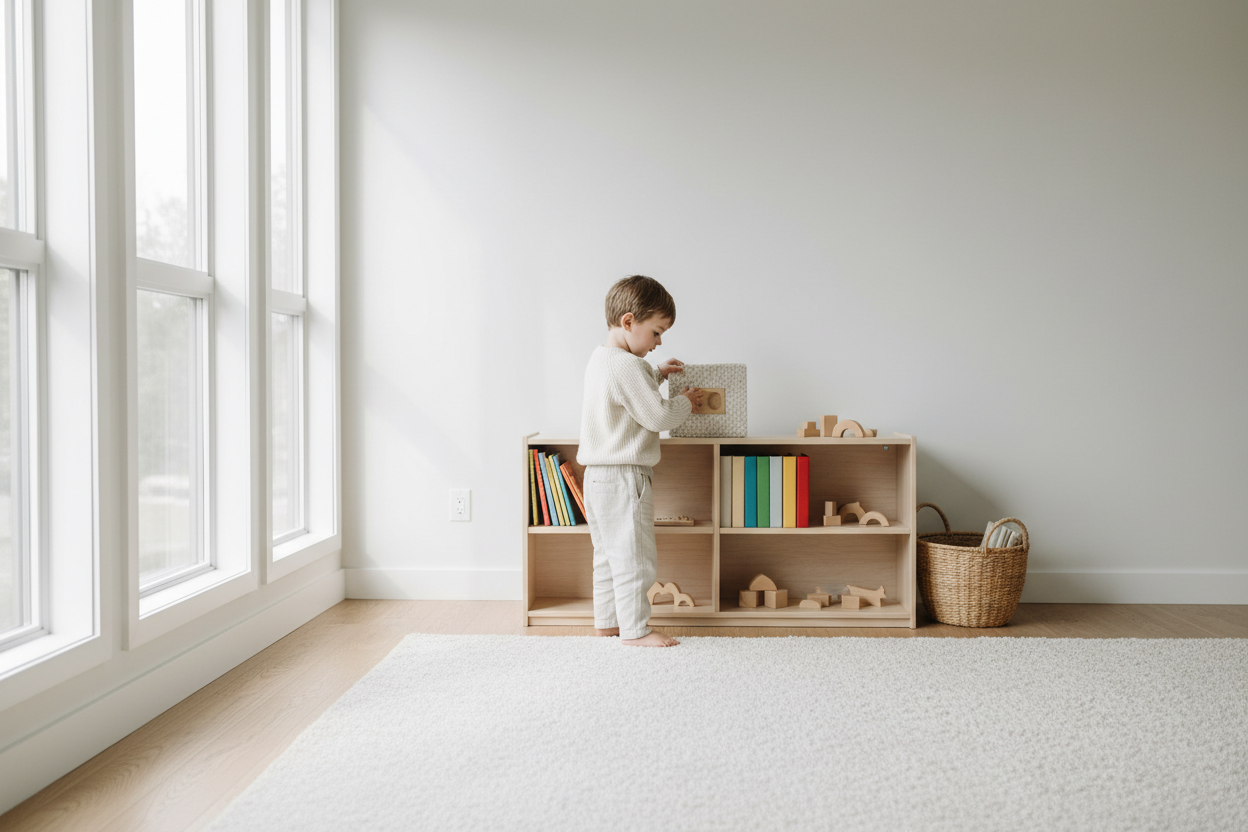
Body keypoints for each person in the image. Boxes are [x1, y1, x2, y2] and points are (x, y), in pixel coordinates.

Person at [577, 276, 703, 648]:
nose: (659, 341)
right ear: (629, 322)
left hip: (597, 477)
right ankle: (636, 630)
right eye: (657, 332)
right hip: (624, 477)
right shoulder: (628, 368)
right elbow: (659, 418)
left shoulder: (602, 359)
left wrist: (657, 372)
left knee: (607, 557)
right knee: (635, 557)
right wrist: (685, 402)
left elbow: (626, 390)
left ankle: (607, 623)